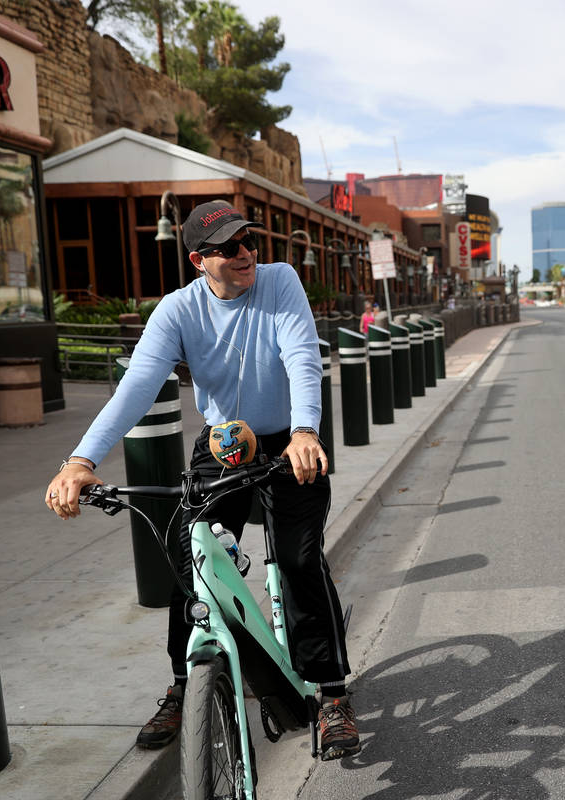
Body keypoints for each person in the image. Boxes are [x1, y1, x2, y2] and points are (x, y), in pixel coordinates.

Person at [43, 201, 360, 761]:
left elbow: (302, 359)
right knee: (187, 558)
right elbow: (137, 387)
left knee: (297, 559)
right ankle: (187, 685)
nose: (246, 255)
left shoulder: (279, 281)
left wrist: (306, 431)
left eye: (249, 243)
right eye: (230, 248)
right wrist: (80, 460)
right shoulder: (177, 311)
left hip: (290, 440)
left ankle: (331, 692)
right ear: (198, 260)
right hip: (222, 445)